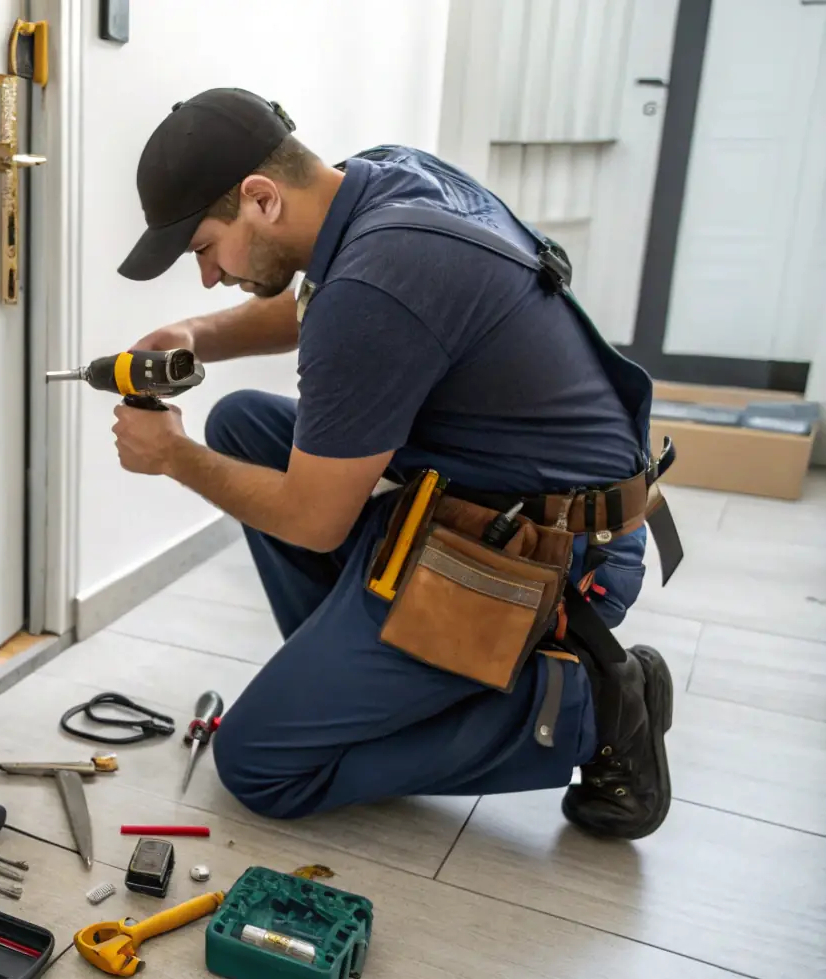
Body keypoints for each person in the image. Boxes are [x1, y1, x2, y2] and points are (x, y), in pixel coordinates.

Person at [106, 87, 685, 840]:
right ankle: (360, 678)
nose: (208, 276)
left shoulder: (374, 291)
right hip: (493, 505)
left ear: (259, 198)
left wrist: (171, 457)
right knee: (244, 422)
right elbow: (314, 303)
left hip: (550, 563)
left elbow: (315, 522)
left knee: (259, 765)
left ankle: (592, 713)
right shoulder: (384, 180)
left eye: (204, 249)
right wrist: (192, 332)